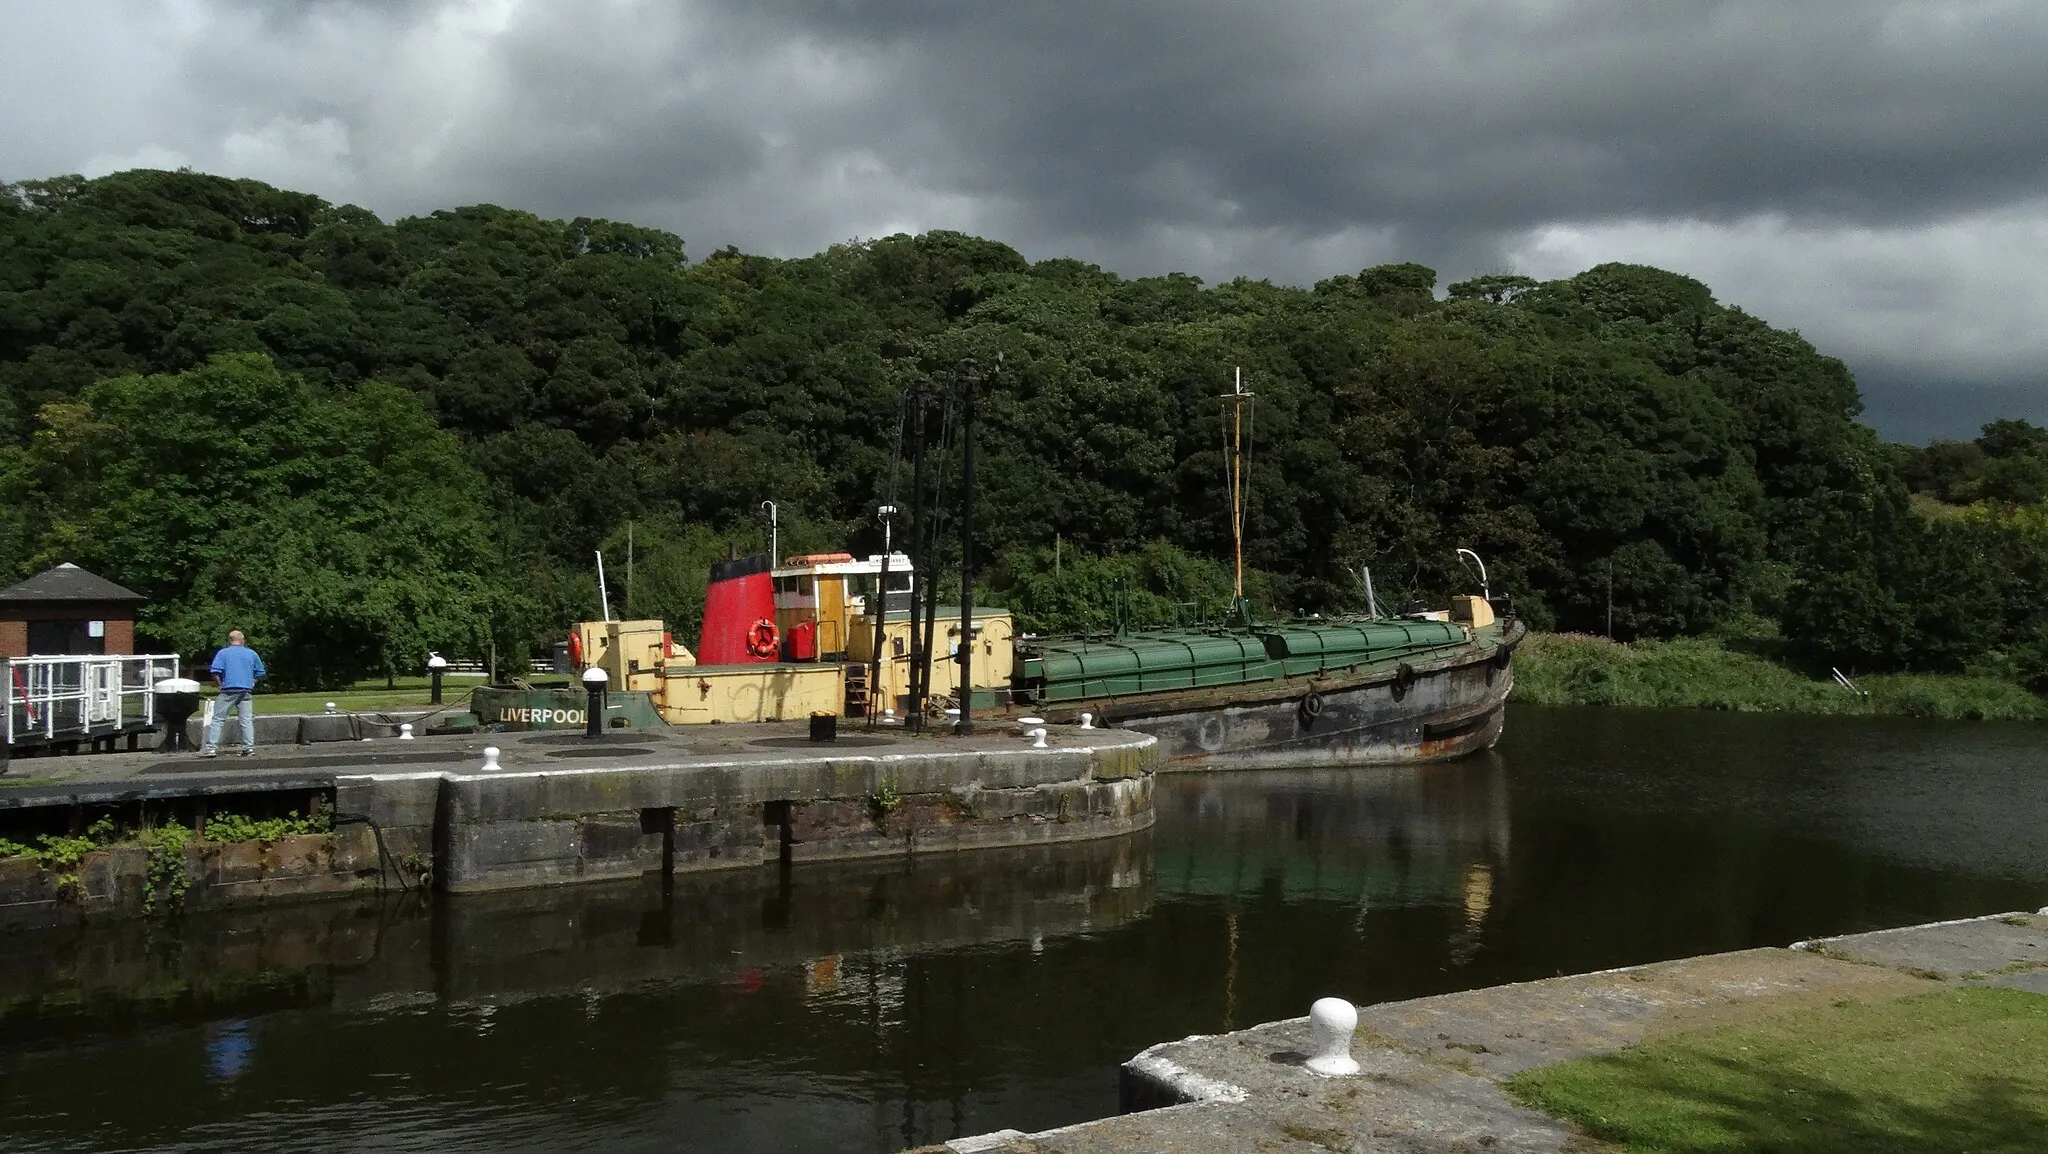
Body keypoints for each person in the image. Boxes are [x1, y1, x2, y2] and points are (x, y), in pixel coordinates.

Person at [199, 629, 266, 757]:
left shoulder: (223, 653)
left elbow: (215, 671)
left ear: (230, 640)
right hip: (246, 690)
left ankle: (211, 747)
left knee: (218, 718)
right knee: (246, 720)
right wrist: (253, 681)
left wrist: (219, 684)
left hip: (228, 689)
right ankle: (248, 748)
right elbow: (260, 672)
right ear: (243, 640)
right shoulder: (251, 653)